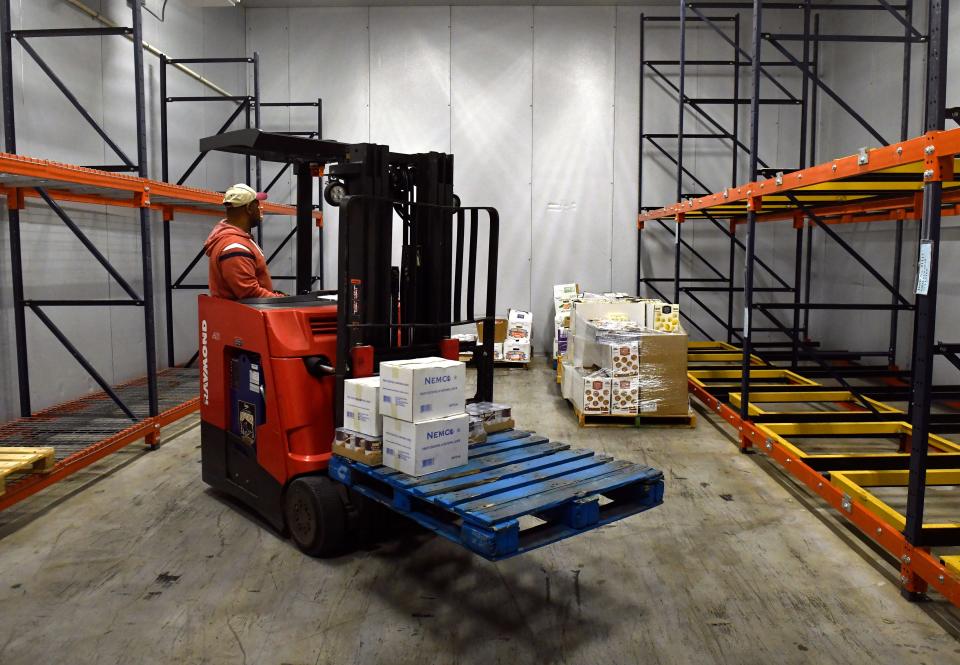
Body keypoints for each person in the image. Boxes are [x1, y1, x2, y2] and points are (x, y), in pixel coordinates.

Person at [204, 183, 283, 300]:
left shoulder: (234, 240)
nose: (261, 209)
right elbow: (250, 294)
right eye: (257, 205)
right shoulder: (235, 246)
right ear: (249, 208)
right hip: (244, 316)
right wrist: (281, 301)